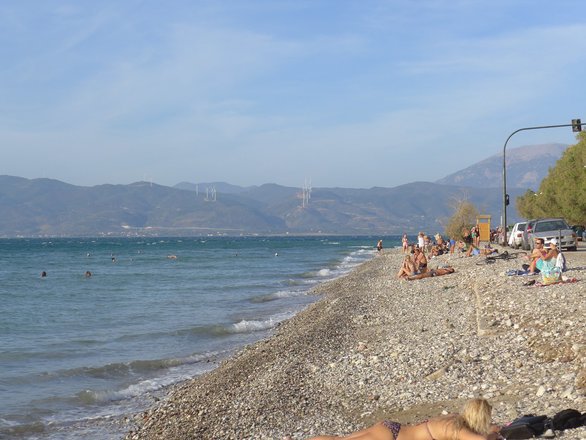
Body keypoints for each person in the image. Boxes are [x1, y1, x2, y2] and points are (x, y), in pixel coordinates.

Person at [307, 398, 501, 440]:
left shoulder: (454, 418)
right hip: (394, 438)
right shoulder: (457, 429)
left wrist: (493, 429)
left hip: (391, 427)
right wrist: (494, 436)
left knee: (339, 439)